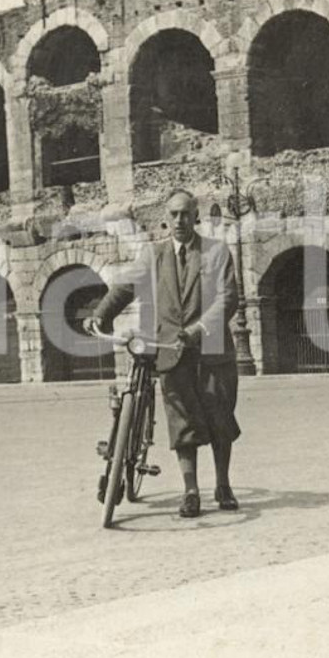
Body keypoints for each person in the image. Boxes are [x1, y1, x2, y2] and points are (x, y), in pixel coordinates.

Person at [87, 189, 240, 518]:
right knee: (181, 424)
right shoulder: (153, 255)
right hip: (170, 350)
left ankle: (223, 484)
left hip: (211, 351)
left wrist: (197, 330)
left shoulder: (216, 252)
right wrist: (101, 315)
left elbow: (227, 298)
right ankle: (191, 491)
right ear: (165, 219)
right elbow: (126, 287)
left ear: (195, 216)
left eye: (185, 214)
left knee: (219, 420)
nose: (179, 220)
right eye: (173, 214)